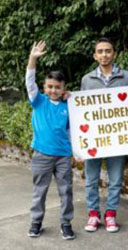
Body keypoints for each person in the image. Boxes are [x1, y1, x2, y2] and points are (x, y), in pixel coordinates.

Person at [81, 37, 128, 233]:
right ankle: (93, 215)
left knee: (116, 179)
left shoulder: (127, 77)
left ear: (114, 53)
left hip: (117, 139)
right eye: (100, 51)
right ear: (95, 56)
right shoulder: (87, 80)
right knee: (91, 179)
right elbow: (82, 110)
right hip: (93, 138)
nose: (104, 54)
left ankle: (111, 214)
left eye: (108, 51)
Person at [25, 41, 75, 240]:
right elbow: (30, 81)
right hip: (42, 154)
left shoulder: (68, 105)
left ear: (64, 89)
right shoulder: (39, 101)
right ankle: (36, 222)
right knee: (40, 191)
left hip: (63, 156)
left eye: (58, 87)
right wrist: (33, 59)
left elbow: (74, 131)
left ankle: (66, 223)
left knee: (66, 192)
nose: (53, 90)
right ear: (45, 87)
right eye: (50, 86)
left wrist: (77, 152)